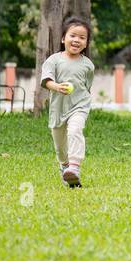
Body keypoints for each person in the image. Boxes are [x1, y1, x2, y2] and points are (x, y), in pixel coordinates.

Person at [39, 16, 96, 188]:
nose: (77, 40)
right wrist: (56, 87)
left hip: (79, 106)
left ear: (86, 43)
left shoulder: (88, 65)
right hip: (58, 109)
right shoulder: (54, 60)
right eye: (73, 35)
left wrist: (82, 102)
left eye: (82, 37)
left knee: (75, 130)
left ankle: (74, 167)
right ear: (63, 38)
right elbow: (46, 81)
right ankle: (65, 167)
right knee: (60, 147)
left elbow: (87, 86)